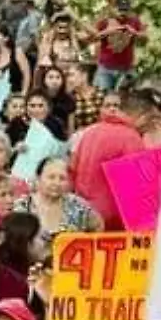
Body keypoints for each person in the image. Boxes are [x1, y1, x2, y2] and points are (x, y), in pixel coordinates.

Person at [67, 88, 152, 230]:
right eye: (108, 105)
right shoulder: (130, 137)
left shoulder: (88, 133)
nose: (112, 109)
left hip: (84, 210)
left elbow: (72, 170)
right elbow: (136, 184)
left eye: (115, 105)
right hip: (114, 216)